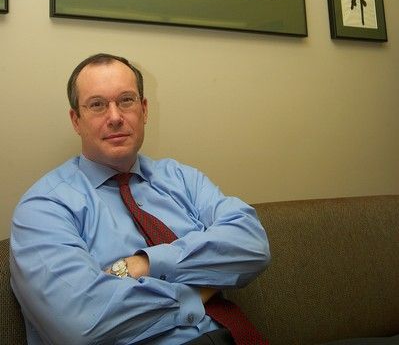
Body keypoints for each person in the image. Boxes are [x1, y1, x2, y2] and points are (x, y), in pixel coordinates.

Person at [10, 53, 270, 345]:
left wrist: (145, 264)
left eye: (126, 100)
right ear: (76, 119)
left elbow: (253, 244)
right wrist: (199, 288)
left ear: (144, 110)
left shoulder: (182, 178)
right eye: (97, 105)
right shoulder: (44, 207)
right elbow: (82, 323)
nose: (115, 117)